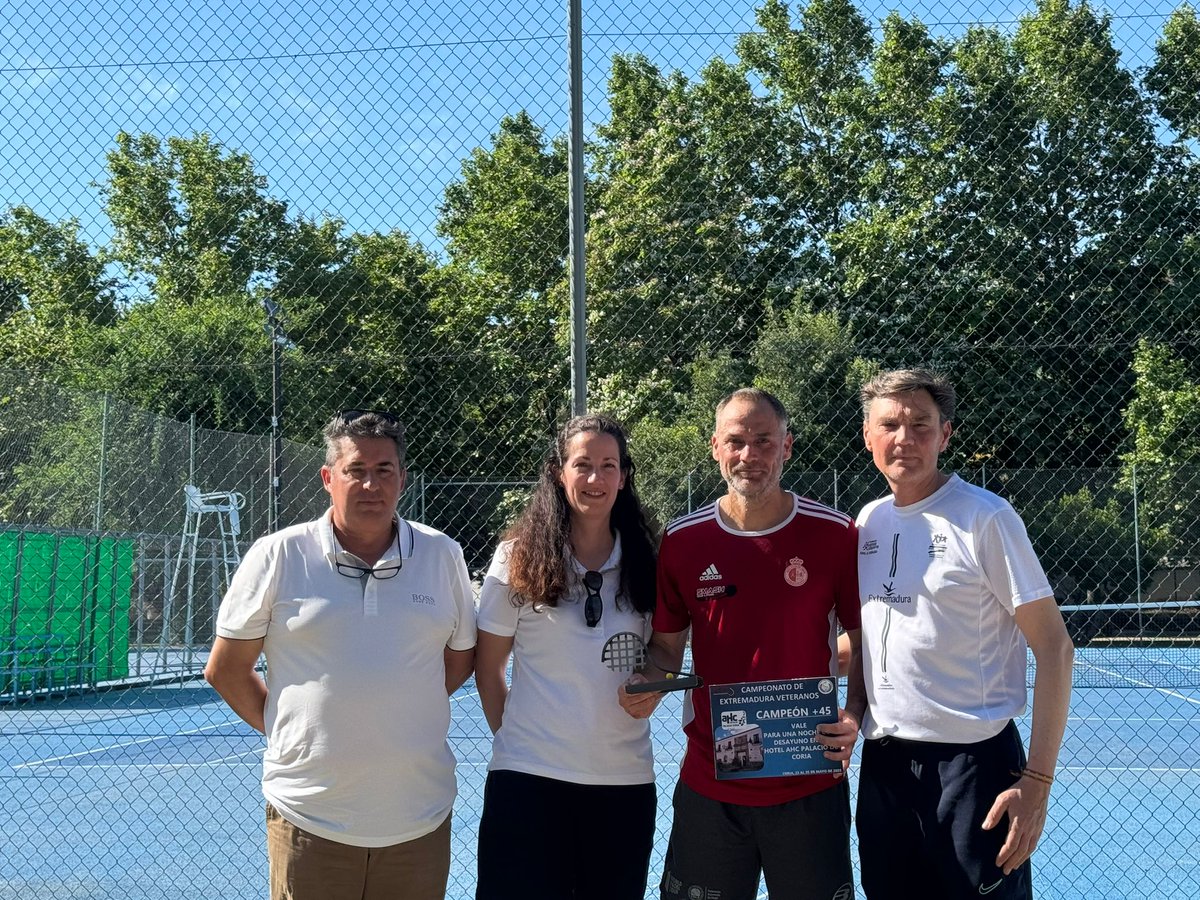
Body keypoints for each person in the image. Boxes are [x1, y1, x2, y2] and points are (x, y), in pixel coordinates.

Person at [204, 410, 476, 900]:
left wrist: (399, 704)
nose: (370, 484)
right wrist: (292, 730)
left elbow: (458, 662)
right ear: (330, 478)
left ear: (403, 479)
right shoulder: (278, 554)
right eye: (356, 470)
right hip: (309, 816)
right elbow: (226, 669)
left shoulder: (442, 555)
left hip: (418, 818)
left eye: (384, 470)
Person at [620, 388, 863, 900]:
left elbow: (864, 644)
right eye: (736, 441)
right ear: (715, 446)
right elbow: (667, 649)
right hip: (713, 782)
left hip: (808, 780)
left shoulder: (835, 533)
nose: (748, 455)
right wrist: (651, 682)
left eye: (763, 441)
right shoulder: (683, 542)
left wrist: (855, 713)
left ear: (787, 447)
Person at [850, 368, 1074, 899]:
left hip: (973, 769)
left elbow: (1056, 649)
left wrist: (1037, 782)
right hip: (884, 767)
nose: (905, 438)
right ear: (868, 437)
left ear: (945, 435)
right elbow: (872, 640)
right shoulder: (868, 522)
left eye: (921, 425)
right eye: (890, 425)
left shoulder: (987, 518)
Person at [474, 413, 660, 900]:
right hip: (528, 783)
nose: (595, 478)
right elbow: (488, 667)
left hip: (623, 784)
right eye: (583, 464)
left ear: (623, 476)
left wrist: (652, 686)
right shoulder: (516, 557)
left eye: (608, 465)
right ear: (559, 471)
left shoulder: (652, 561)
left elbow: (663, 651)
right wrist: (521, 741)